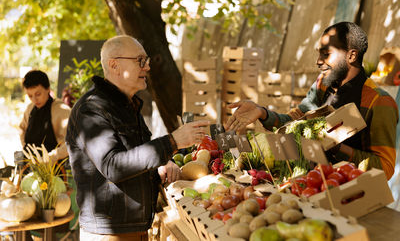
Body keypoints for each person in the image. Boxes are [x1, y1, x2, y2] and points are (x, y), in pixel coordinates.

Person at [66, 35, 209, 240]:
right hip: (109, 232)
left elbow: (132, 157)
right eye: (140, 60)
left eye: (147, 60)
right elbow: (113, 166)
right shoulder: (91, 109)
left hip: (133, 227)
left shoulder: (127, 104)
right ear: (114, 65)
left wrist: (158, 165)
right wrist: (172, 142)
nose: (147, 67)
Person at [225, 21, 398, 180]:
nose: (318, 61)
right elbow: (295, 120)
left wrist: (334, 146)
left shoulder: (379, 101)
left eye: (326, 54)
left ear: (352, 56)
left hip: (346, 193)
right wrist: (262, 113)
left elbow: (385, 168)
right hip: (311, 184)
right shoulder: (323, 84)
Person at [19, 70, 71, 163]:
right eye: (30, 96)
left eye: (38, 94)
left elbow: (71, 142)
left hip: (54, 169)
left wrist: (52, 156)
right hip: (30, 165)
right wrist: (26, 150)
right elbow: (22, 129)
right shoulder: (30, 109)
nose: (34, 99)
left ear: (48, 89)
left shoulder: (61, 110)